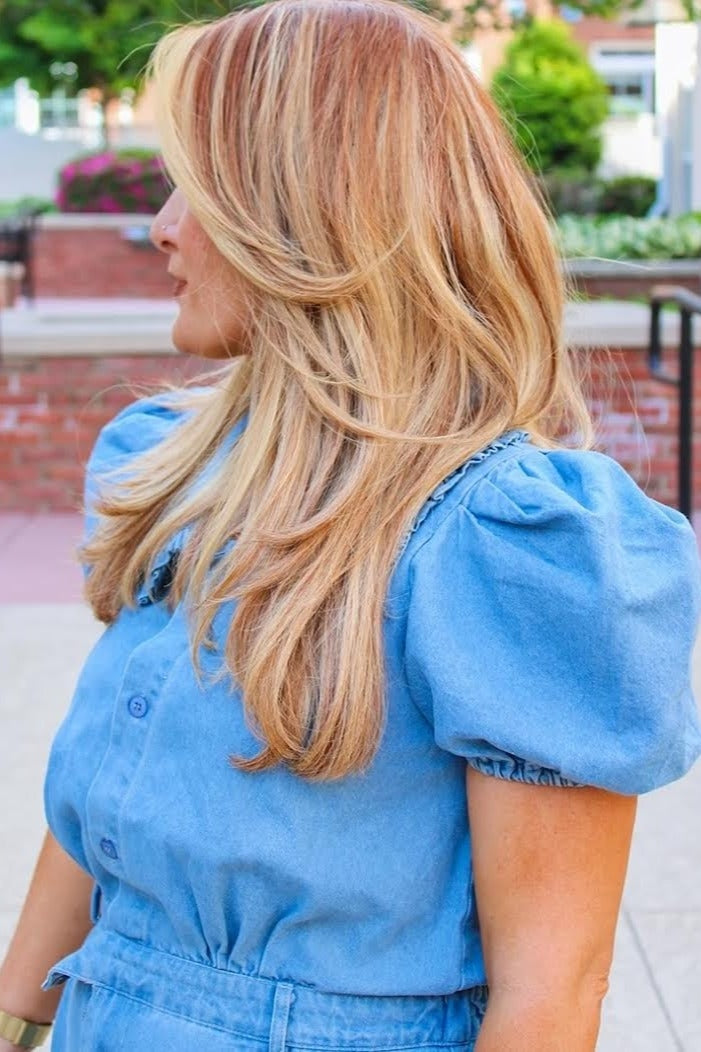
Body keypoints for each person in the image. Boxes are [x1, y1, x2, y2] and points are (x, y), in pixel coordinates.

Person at [1, 1, 700, 1049]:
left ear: (309, 218)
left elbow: (552, 990)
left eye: (201, 188)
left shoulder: (504, 542)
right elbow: (103, 818)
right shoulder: (176, 466)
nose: (163, 227)